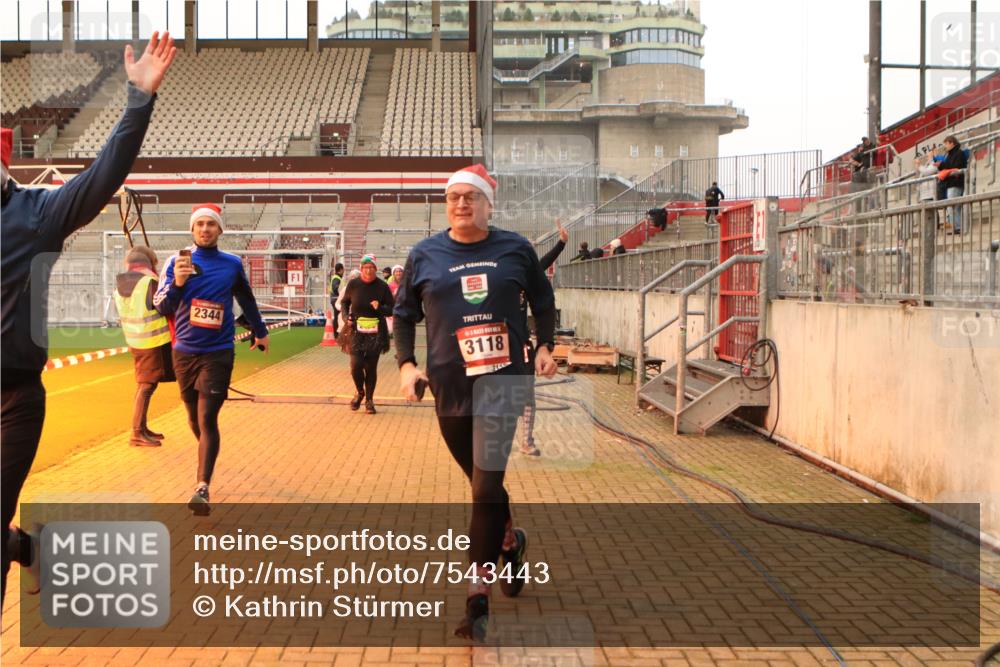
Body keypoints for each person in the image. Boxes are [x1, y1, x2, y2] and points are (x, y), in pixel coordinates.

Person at [0, 32, 175, 602]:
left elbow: (103, 176)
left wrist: (139, 99)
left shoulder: (37, 214)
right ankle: (31, 548)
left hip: (13, 403)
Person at [394, 164, 558, 640]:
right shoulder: (424, 254)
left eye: (471, 197)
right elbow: (403, 315)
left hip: (504, 383)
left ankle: (476, 596)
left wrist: (544, 344)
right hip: (450, 387)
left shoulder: (515, 248)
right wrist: (406, 365)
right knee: (482, 486)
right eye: (454, 198)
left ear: (489, 203)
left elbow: (543, 300)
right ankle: (511, 539)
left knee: (485, 489)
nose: (462, 204)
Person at [154, 203, 270, 515]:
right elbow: (162, 308)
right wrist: (177, 283)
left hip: (218, 352)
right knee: (193, 418)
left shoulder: (231, 264)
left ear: (220, 230)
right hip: (184, 352)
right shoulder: (175, 263)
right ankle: (207, 451)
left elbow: (246, 298)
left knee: (207, 418)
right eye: (200, 224)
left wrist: (260, 331)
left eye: (211, 224)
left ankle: (202, 486)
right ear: (192, 231)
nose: (205, 229)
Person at [113, 246, 175, 447]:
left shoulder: (119, 284)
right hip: (153, 342)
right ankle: (137, 432)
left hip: (135, 341)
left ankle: (142, 428)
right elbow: (164, 306)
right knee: (146, 386)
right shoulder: (149, 282)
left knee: (146, 384)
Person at [519, 219, 568, 457]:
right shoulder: (500, 274)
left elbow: (546, 262)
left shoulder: (530, 274)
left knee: (528, 397)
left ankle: (527, 441)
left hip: (521, 346)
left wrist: (561, 243)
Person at [339, 255, 394, 413]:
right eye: (365, 267)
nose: (368, 270)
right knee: (355, 365)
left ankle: (369, 400)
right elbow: (344, 302)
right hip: (356, 330)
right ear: (362, 269)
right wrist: (345, 317)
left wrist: (380, 308)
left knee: (371, 367)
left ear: (375, 270)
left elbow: (391, 308)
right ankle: (360, 392)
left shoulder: (382, 286)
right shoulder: (354, 284)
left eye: (371, 267)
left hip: (375, 332)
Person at [936, 135, 968, 234]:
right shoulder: (949, 154)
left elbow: (956, 166)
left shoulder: (959, 153)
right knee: (953, 206)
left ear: (951, 143)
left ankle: (958, 227)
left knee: (953, 206)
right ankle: (956, 227)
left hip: (956, 183)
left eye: (946, 144)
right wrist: (941, 166)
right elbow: (949, 166)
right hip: (951, 183)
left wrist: (941, 165)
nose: (945, 146)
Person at [329, 262, 344, 337]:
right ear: (341, 270)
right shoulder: (336, 278)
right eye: (343, 269)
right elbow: (336, 288)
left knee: (338, 316)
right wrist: (341, 295)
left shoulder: (336, 277)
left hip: (335, 299)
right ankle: (336, 334)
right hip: (336, 299)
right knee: (338, 316)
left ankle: (337, 333)